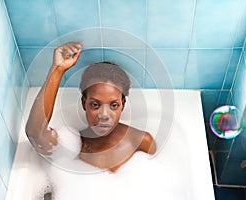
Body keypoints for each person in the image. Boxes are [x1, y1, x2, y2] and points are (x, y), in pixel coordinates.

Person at [25, 42, 156, 172]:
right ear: (84, 103)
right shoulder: (74, 146)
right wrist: (57, 69)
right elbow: (35, 134)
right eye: (95, 105)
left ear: (123, 104)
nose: (104, 115)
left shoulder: (141, 141)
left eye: (114, 105)